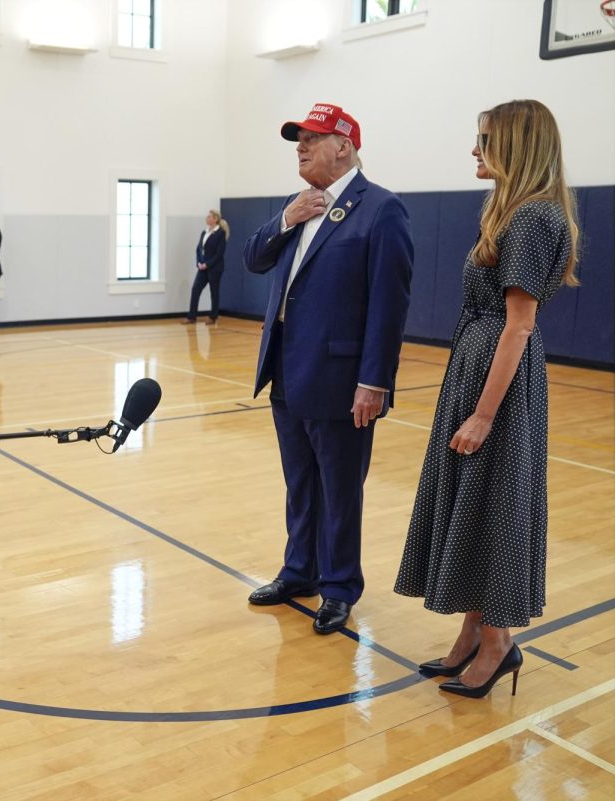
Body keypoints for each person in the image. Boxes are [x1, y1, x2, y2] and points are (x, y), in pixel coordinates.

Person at [394, 100, 580, 699]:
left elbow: (518, 324)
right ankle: (473, 631)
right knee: (474, 500)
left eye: (483, 140)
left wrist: (481, 412)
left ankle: (499, 642)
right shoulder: (506, 210)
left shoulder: (530, 220)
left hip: (497, 377)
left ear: (517, 146)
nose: (474, 150)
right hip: (475, 363)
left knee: (495, 500)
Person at [242, 102, 413, 635]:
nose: (301, 146)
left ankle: (339, 587)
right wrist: (286, 217)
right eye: (299, 139)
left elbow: (389, 304)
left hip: (342, 380)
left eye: (312, 138)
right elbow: (254, 258)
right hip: (288, 370)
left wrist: (374, 380)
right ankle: (300, 572)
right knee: (300, 482)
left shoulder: (381, 209)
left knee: (340, 488)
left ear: (343, 145)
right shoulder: (300, 206)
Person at [184, 210, 228, 324]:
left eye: (209, 217)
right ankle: (191, 316)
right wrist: (199, 262)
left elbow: (219, 254)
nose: (207, 218)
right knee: (195, 289)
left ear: (215, 219)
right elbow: (199, 249)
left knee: (214, 292)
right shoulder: (205, 232)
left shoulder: (220, 233)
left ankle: (213, 317)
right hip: (202, 268)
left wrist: (207, 264)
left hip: (215, 268)